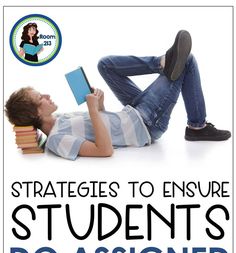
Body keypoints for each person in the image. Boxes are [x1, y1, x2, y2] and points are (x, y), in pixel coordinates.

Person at [5, 30, 231, 160]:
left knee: (105, 65)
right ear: (35, 112)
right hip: (146, 124)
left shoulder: (61, 117)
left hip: (129, 112)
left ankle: (163, 63)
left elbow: (103, 125)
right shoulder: (56, 140)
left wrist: (100, 106)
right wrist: (93, 110)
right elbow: (104, 150)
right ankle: (197, 127)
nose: (46, 94)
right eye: (40, 98)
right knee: (187, 61)